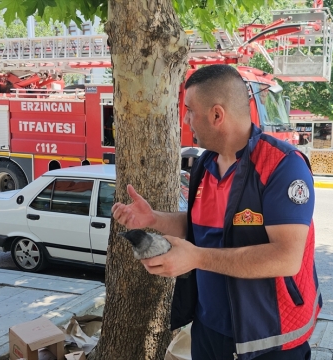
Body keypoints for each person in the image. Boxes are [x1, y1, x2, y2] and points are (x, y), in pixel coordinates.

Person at [112, 64, 320, 360]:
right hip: (208, 330)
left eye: (189, 110)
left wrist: (196, 257)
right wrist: (154, 219)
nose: (185, 120)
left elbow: (286, 257)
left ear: (217, 115)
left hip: (270, 341)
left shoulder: (282, 166)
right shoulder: (205, 165)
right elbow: (202, 227)